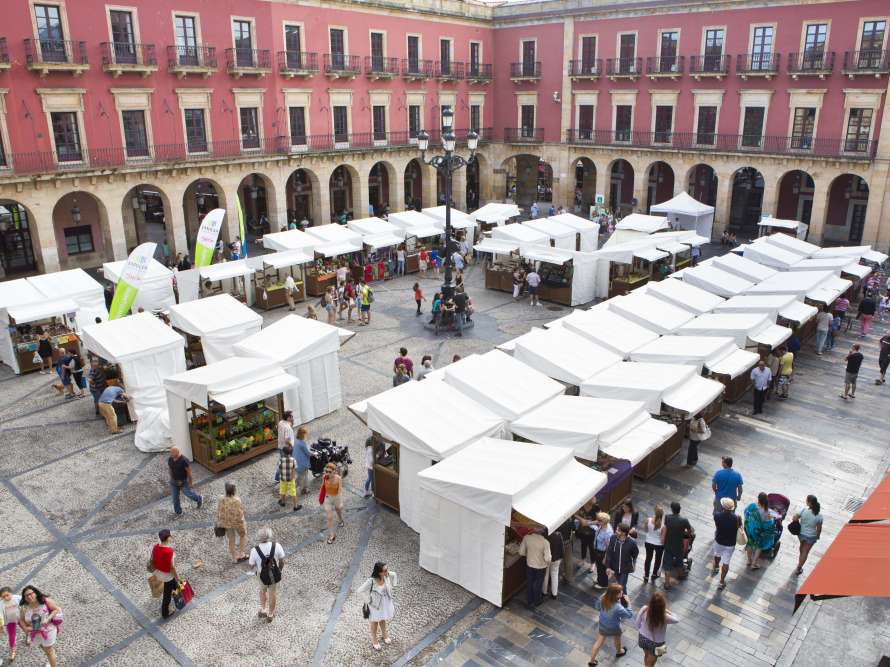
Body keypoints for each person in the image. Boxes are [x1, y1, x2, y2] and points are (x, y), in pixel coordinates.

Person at [356, 562, 398, 650]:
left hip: (385, 603)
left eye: (387, 569)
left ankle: (384, 635)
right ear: (379, 572)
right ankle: (374, 640)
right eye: (385, 570)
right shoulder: (371, 581)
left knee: (383, 619)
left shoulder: (386, 576)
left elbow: (394, 575)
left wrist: (394, 585)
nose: (388, 572)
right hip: (375, 605)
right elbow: (360, 590)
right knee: (374, 623)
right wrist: (368, 600)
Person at [588, 584, 632, 665]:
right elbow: (629, 615)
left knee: (598, 643)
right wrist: (629, 603)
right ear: (616, 595)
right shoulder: (618, 607)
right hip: (614, 628)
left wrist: (601, 596)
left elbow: (597, 607)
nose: (622, 592)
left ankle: (591, 661)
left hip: (602, 625)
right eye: (620, 592)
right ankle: (619, 652)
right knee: (617, 639)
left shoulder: (603, 599)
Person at [18, 586, 61, 667]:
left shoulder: (45, 601)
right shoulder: (24, 608)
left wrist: (48, 619)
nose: (29, 596)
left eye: (31, 594)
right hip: (34, 632)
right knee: (44, 647)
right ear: (24, 598)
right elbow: (21, 620)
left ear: (36, 593)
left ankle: (53, 662)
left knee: (48, 651)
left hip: (48, 630)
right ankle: (52, 655)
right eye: (26, 595)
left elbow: (56, 609)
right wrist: (25, 628)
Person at [248, 527, 285, 622]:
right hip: (274, 574)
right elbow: (281, 561)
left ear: (259, 537)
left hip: (261, 575)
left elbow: (251, 566)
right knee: (272, 593)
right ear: (269, 536)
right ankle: (271, 614)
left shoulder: (254, 550)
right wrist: (279, 570)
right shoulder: (276, 546)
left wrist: (257, 568)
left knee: (262, 591)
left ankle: (263, 608)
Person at [636, 591, 678, 666]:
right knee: (652, 661)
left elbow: (637, 624)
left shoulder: (645, 609)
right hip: (656, 643)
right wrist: (667, 611)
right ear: (663, 605)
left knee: (646, 655)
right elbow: (676, 619)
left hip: (642, 638)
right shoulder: (664, 617)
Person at [662, 502, 693, 591]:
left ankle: (667, 583)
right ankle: (680, 575)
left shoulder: (667, 517)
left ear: (672, 509)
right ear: (680, 509)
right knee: (680, 561)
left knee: (667, 565)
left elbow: (666, 527)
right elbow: (689, 530)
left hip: (668, 544)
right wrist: (685, 534)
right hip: (679, 545)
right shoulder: (684, 520)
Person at [712, 498, 741, 590]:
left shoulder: (717, 516)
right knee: (726, 562)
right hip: (730, 543)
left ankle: (716, 567)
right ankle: (721, 581)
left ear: (722, 506)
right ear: (732, 508)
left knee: (717, 554)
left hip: (719, 540)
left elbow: (717, 524)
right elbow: (740, 528)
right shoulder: (737, 518)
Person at [518, 528, 551, 608]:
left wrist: (529, 555)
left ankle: (529, 600)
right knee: (538, 583)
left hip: (530, 564)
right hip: (541, 567)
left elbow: (521, 552)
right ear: (542, 532)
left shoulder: (527, 538)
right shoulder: (545, 542)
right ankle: (537, 601)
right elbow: (548, 558)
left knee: (530, 582)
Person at [217, 482, 248, 563]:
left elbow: (219, 510)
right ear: (234, 490)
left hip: (226, 523)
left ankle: (234, 558)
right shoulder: (237, 500)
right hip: (238, 523)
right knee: (242, 536)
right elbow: (240, 513)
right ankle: (242, 554)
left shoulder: (221, 498)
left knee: (231, 540)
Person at [150, 529, 178, 619]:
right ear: (168, 538)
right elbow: (172, 568)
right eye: (170, 535)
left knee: (175, 585)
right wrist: (178, 577)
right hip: (166, 576)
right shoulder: (169, 552)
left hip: (158, 572)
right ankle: (165, 612)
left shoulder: (155, 547)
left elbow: (152, 558)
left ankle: (180, 594)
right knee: (167, 594)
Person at [743, 492, 775, 570]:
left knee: (749, 544)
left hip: (750, 530)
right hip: (759, 533)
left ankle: (749, 561)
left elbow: (745, 513)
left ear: (758, 499)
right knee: (759, 546)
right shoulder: (767, 512)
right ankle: (754, 563)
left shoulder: (752, 506)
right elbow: (769, 524)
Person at [793, 494, 823, 575]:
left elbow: (795, 518)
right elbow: (819, 529)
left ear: (809, 503)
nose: (806, 501)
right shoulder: (819, 516)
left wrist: (798, 521)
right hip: (811, 537)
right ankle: (799, 568)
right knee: (805, 551)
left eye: (806, 500)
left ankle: (800, 562)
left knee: (802, 549)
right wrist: (818, 536)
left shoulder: (803, 511)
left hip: (801, 534)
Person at [605, 523, 639, 593]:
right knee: (612, 588)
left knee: (621, 588)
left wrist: (633, 563)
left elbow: (635, 554)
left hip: (624, 569)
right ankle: (615, 602)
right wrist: (608, 567)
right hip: (613, 568)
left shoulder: (632, 543)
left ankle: (624, 603)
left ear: (623, 533)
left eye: (618, 530)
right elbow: (609, 552)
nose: (616, 531)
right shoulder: (613, 538)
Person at [168, 447, 202, 515]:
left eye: (172, 452)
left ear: (177, 453)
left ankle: (199, 498)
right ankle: (178, 512)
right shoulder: (170, 459)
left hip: (183, 482)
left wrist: (190, 483)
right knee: (175, 498)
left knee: (189, 494)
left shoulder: (184, 460)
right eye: (170, 452)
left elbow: (189, 473)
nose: (170, 454)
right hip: (173, 482)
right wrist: (171, 478)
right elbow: (170, 468)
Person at [642, 505, 666, 584]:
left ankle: (646, 576)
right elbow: (662, 540)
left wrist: (646, 525)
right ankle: (654, 574)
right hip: (659, 545)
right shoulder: (663, 526)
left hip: (648, 542)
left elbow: (645, 530)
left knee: (648, 559)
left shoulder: (648, 520)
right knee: (658, 559)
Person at [323, 463, 345, 544]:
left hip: (336, 497)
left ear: (334, 472)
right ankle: (331, 535)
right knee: (329, 517)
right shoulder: (325, 477)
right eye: (326, 471)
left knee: (338, 509)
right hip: (328, 498)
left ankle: (340, 519)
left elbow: (340, 491)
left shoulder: (338, 478)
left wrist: (340, 502)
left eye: (329, 471)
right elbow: (323, 487)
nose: (327, 473)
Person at [592, 512, 613, 588]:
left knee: (602, 568)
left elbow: (609, 546)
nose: (597, 521)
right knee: (599, 567)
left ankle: (603, 584)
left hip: (602, 552)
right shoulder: (602, 526)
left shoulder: (608, 532)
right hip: (598, 550)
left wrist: (605, 557)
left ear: (603, 522)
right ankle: (599, 579)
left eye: (599, 520)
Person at [277, 445, 301, 512]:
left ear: (283, 452)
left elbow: (279, 468)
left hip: (283, 478)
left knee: (282, 490)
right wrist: (292, 477)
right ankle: (295, 506)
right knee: (293, 492)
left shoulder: (281, 460)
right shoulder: (293, 460)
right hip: (291, 479)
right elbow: (294, 470)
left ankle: (283, 502)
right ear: (291, 453)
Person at [542, 530, 564, 599]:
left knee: (546, 575)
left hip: (547, 558)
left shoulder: (545, 535)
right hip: (557, 558)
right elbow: (562, 548)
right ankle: (554, 594)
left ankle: (544, 592)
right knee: (555, 575)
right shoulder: (559, 535)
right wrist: (561, 557)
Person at [1, 586, 20, 662]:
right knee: (11, 636)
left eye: (7, 595)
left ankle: (27, 636)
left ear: (11, 593)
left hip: (20, 618)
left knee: (26, 629)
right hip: (10, 621)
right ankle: (12, 651)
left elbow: (25, 603)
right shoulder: (1, 604)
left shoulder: (17, 598)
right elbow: (0, 615)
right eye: (3, 596)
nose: (6, 598)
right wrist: (1, 625)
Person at [294, 426, 311, 496]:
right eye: (306, 434)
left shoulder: (295, 441)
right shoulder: (302, 443)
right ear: (303, 434)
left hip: (295, 462)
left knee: (300, 475)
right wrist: (315, 454)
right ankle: (304, 489)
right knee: (304, 476)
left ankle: (297, 486)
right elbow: (308, 453)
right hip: (302, 464)